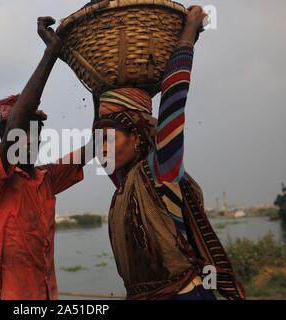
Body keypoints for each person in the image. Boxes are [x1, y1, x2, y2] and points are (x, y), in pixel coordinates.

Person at [93, 6, 245, 300]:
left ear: (137, 138)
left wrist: (189, 32)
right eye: (99, 142)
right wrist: (61, 54)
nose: (102, 150)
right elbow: (97, 126)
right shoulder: (124, 182)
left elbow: (174, 99)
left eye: (109, 139)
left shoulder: (161, 170)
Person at [0, 17, 94, 300]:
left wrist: (101, 84)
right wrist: (51, 52)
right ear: (7, 137)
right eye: (19, 131)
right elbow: (16, 128)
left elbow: (98, 146)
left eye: (34, 131)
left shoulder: (47, 178)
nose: (28, 138)